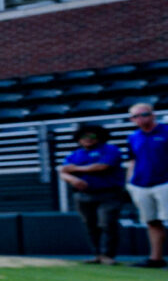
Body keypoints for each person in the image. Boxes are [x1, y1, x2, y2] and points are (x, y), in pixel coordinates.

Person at [59, 121, 132, 265]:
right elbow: (63, 172)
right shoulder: (75, 154)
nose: (88, 138)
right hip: (83, 195)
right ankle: (97, 254)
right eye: (83, 136)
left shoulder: (110, 150)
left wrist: (76, 169)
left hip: (108, 193)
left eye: (92, 135)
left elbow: (102, 166)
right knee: (90, 225)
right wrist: (72, 179)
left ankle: (108, 255)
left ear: (99, 136)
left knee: (107, 223)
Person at [124, 103, 168, 269]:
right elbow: (132, 160)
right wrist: (129, 183)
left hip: (164, 182)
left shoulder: (165, 131)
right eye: (135, 116)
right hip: (141, 184)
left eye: (143, 114)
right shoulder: (133, 136)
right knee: (151, 221)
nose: (139, 119)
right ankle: (156, 258)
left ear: (152, 115)